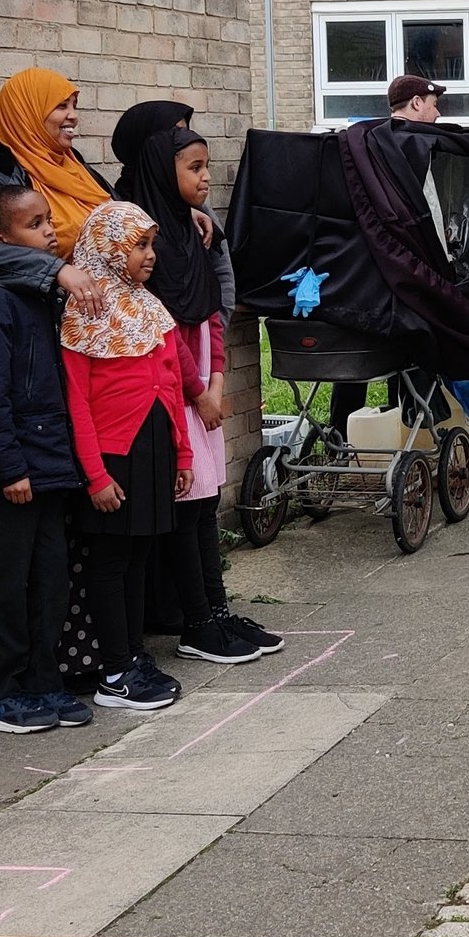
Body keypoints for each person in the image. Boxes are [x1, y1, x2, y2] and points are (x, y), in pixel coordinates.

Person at [113, 102, 282, 668]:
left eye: (207, 164)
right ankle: (196, 621)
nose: (207, 178)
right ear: (164, 169)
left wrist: (213, 380)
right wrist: (197, 389)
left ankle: (215, 608)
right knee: (188, 506)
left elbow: (209, 310)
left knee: (205, 503)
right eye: (194, 166)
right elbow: (162, 326)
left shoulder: (193, 232)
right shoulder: (147, 245)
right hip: (173, 393)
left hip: (201, 388)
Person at [0, 185, 87, 735]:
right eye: (35, 224)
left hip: (50, 465)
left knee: (48, 579)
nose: (50, 230)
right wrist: (10, 469)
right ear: (1, 240)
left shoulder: (39, 297)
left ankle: (41, 680)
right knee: (6, 583)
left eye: (49, 220)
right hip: (11, 474)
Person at [60, 201, 194, 713]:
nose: (150, 255)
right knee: (112, 561)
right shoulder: (83, 314)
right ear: (111, 248)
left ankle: (134, 656)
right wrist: (94, 475)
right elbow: (77, 403)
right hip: (114, 457)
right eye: (139, 245)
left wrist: (182, 456)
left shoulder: (150, 308)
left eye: (151, 244)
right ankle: (113, 670)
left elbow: (171, 387)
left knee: (138, 558)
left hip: (154, 450)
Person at [326, 73, 447, 432]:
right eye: (434, 105)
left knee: (352, 360)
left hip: (354, 284)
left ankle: (340, 436)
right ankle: (416, 424)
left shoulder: (360, 144)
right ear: (415, 103)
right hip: (398, 282)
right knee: (420, 332)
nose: (438, 115)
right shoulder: (418, 148)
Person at [0, 67, 115, 302]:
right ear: (27, 112)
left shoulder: (76, 167)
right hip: (42, 319)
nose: (73, 116)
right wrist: (55, 270)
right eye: (62, 106)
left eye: (74, 105)